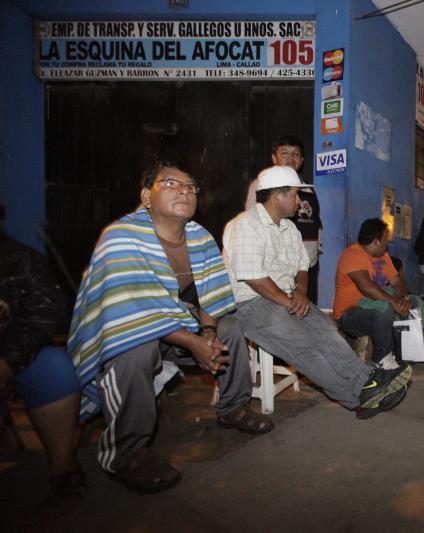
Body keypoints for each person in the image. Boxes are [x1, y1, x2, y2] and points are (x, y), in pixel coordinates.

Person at [69, 161, 272, 494]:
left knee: (231, 327)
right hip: (117, 328)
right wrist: (193, 344)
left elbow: (212, 294)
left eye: (190, 187)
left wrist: (207, 334)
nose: (184, 191)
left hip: (170, 320)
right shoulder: (121, 235)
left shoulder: (198, 236)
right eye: (170, 184)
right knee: (137, 350)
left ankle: (233, 408)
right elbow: (132, 309)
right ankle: (125, 453)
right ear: (146, 197)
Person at [223, 166, 412, 420]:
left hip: (287, 298)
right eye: (295, 195)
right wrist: (289, 300)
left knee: (327, 331)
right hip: (253, 304)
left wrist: (301, 291)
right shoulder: (245, 225)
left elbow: (303, 265)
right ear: (276, 195)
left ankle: (367, 381)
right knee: (305, 348)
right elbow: (253, 277)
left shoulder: (289, 229)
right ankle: (357, 399)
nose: (299, 201)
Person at [0, 206, 84, 506]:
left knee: (53, 367)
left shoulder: (20, 260)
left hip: (10, 353)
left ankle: (63, 468)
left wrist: (8, 361)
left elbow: (45, 314)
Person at [246, 136, 323, 304]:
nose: (291, 158)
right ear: (274, 158)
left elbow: (315, 221)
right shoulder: (262, 186)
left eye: (296, 154)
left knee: (308, 311)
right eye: (285, 153)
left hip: (306, 264)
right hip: (278, 270)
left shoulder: (308, 190)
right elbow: (255, 223)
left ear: (302, 160)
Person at [334, 219, 411, 369]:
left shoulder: (384, 256)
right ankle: (381, 358)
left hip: (372, 307)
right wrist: (395, 304)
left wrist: (403, 299)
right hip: (349, 315)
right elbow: (366, 287)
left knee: (409, 304)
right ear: (376, 242)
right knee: (385, 308)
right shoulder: (352, 254)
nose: (386, 245)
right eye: (385, 241)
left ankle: (400, 355)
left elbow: (397, 282)